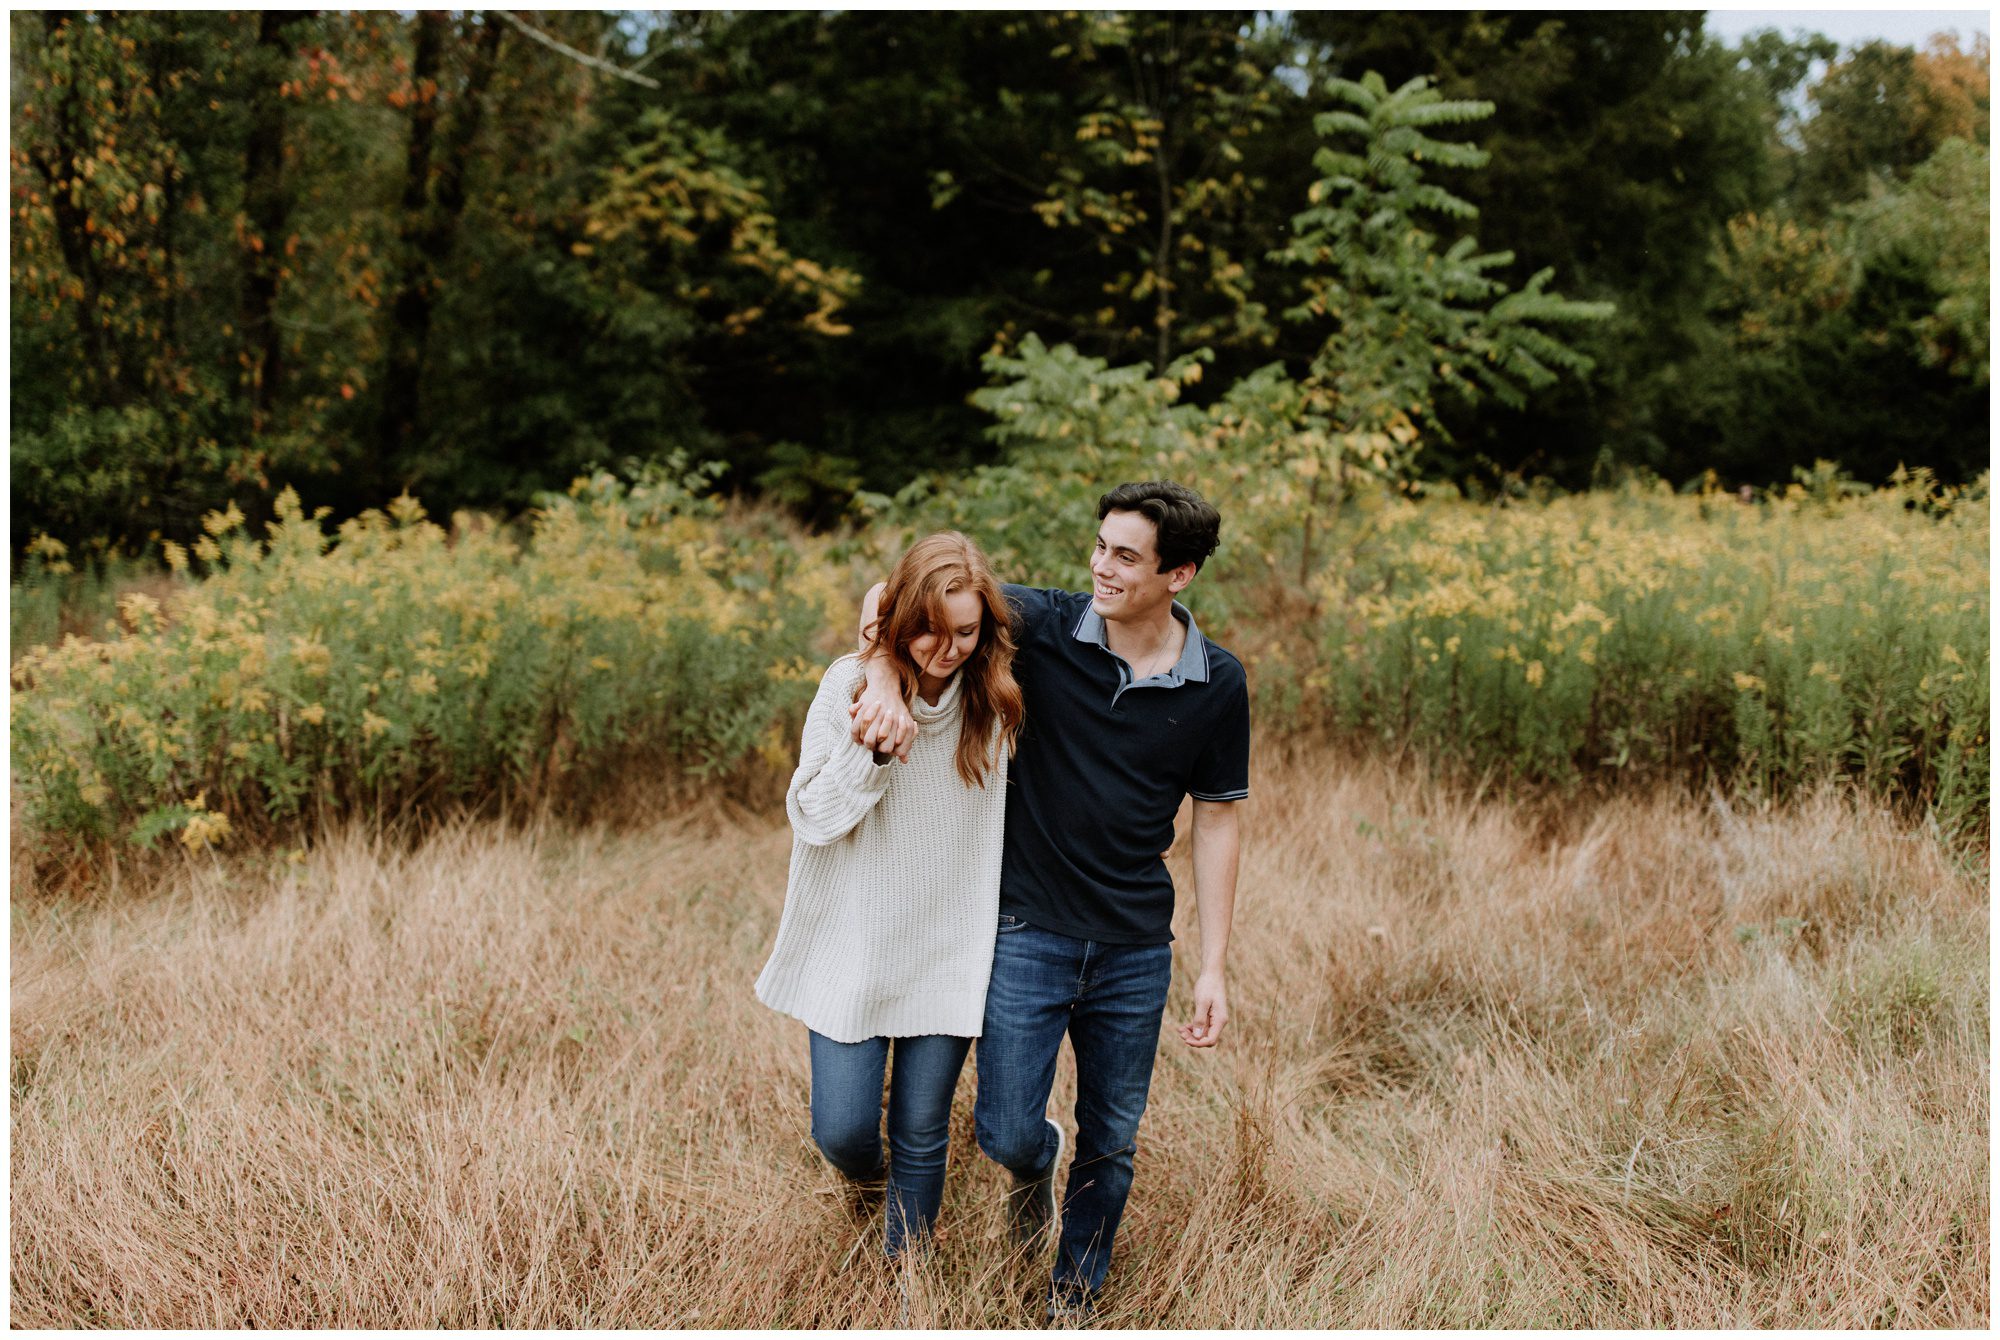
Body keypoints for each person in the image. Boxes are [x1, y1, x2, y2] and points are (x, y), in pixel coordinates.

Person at [851, 481, 1247, 1318]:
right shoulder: (1038, 624)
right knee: (1001, 1130)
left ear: (1179, 575)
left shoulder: (1217, 682)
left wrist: (1211, 966)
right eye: (1101, 545)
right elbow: (901, 598)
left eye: (1127, 557)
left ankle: (1073, 1297)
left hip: (1136, 943)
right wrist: (884, 683)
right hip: (1027, 927)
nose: (1102, 567)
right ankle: (1036, 1163)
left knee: (1114, 1136)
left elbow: (1216, 822)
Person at [755, 531, 1025, 1258]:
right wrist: (873, 740)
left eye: (965, 631)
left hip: (949, 944)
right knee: (841, 1131)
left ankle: (906, 1276)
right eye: (930, 631)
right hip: (855, 942)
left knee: (921, 1128)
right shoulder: (848, 685)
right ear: (901, 622)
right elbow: (812, 816)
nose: (947, 649)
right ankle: (869, 1190)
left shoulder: (996, 701)